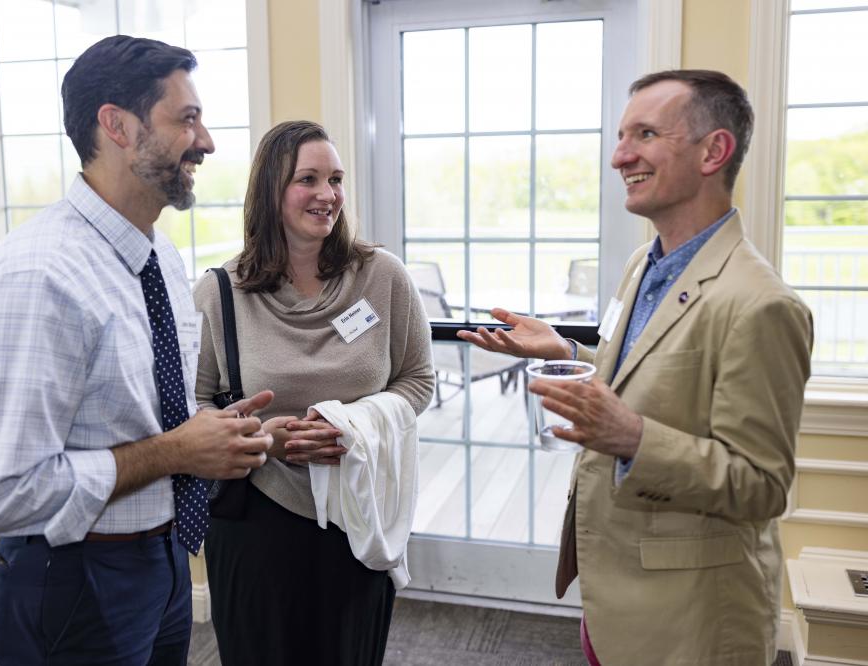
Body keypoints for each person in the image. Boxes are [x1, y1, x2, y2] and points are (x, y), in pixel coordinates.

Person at [459, 70, 813, 665]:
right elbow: (651, 379)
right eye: (622, 136)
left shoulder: (762, 304)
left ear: (714, 151)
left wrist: (632, 437)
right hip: (614, 594)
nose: (620, 156)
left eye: (644, 134)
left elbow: (762, 485)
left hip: (690, 619)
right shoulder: (641, 265)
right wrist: (567, 355)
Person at [0, 35, 275, 665]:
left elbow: (150, 414)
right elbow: (0, 492)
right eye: (187, 119)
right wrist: (178, 450)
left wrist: (222, 437)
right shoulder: (35, 277)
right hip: (72, 576)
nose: (206, 141)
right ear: (117, 126)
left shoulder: (159, 255)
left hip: (164, 563)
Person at [192, 120, 434, 666]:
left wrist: (356, 424)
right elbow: (194, 406)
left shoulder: (382, 277)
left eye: (336, 179)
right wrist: (261, 438)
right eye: (308, 179)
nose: (328, 195)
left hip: (359, 513)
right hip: (257, 521)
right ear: (271, 191)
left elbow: (418, 379)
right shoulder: (219, 292)